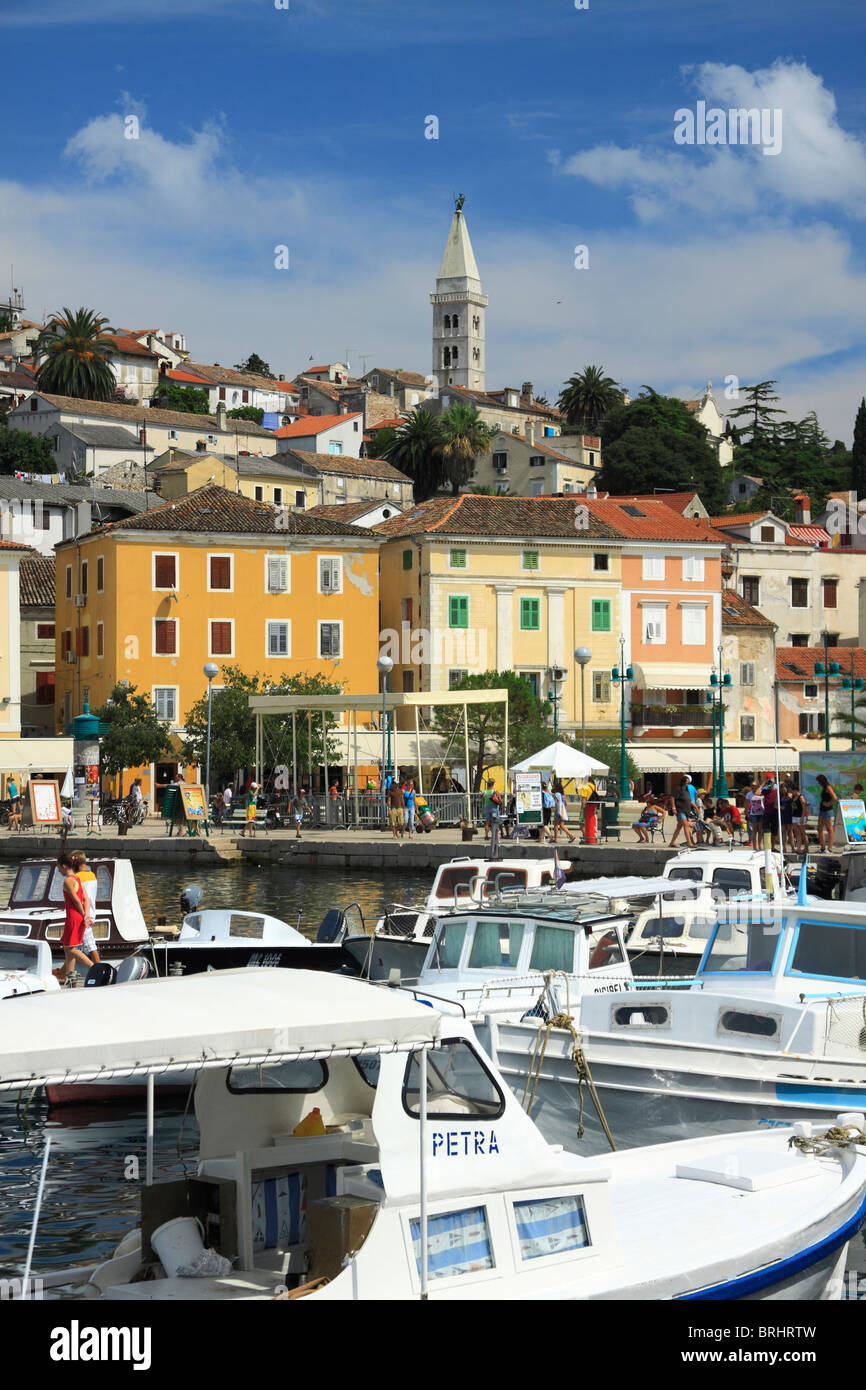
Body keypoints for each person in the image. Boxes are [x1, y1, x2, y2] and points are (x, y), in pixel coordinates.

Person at [55, 851, 93, 982]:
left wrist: (83, 915)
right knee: (68, 949)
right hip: (80, 916)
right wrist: (86, 915)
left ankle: (93, 967)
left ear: (64, 866)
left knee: (70, 949)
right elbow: (86, 899)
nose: (58, 870)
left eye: (58, 867)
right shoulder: (78, 879)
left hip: (73, 917)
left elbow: (76, 900)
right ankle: (71, 978)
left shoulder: (68, 881)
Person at [71, 851, 100, 965]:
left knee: (89, 944)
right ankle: (64, 971)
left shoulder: (77, 877)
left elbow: (78, 898)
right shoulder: (92, 875)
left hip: (82, 913)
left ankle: (97, 966)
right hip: (91, 911)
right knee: (73, 945)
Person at [669, 777, 695, 848]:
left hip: (686, 811)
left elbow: (689, 800)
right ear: (683, 782)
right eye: (687, 782)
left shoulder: (686, 790)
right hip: (680, 810)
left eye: (688, 782)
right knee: (686, 826)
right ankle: (690, 843)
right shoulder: (678, 789)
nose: (688, 783)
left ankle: (672, 843)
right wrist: (673, 807)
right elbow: (672, 797)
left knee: (679, 827)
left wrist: (696, 807)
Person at [816, 774, 838, 851]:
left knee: (829, 829)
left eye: (819, 782)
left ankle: (830, 848)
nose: (818, 783)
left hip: (827, 810)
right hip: (822, 810)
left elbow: (834, 797)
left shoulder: (828, 787)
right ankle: (822, 847)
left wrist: (829, 803)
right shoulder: (824, 788)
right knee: (819, 828)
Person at [553, 780, 575, 844]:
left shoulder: (556, 794)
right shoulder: (563, 795)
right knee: (562, 826)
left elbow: (555, 803)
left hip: (558, 811)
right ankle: (571, 836)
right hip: (563, 811)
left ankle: (555, 839)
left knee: (556, 826)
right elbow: (566, 804)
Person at [790, 784, 809, 853]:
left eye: (792, 791)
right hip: (794, 816)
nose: (791, 792)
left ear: (795, 790)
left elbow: (804, 807)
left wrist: (802, 817)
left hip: (800, 816)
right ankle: (798, 848)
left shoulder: (801, 797)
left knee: (803, 833)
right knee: (797, 833)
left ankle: (806, 848)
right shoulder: (793, 797)